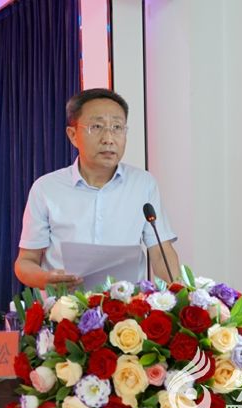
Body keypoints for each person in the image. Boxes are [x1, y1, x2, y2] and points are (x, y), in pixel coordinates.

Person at [14, 88, 179, 290]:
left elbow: (160, 253)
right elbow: (26, 261)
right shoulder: (46, 188)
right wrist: (45, 279)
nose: (109, 138)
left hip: (127, 307)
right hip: (65, 305)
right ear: (73, 135)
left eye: (117, 127)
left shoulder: (143, 184)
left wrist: (182, 294)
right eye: (97, 127)